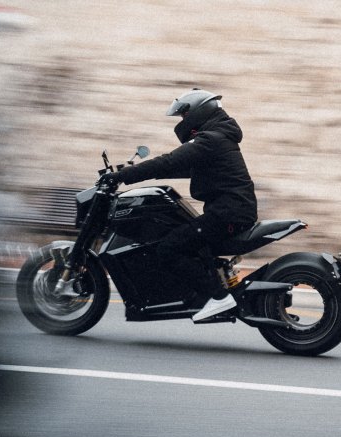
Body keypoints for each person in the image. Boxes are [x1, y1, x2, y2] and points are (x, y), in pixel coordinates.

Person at [102, 88, 257, 321]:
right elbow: (180, 166)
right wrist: (132, 173)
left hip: (228, 214)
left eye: (184, 116)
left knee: (169, 248)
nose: (183, 122)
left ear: (198, 112)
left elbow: (169, 161)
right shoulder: (217, 136)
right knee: (185, 238)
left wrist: (123, 177)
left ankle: (218, 297)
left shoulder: (210, 139)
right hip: (230, 211)